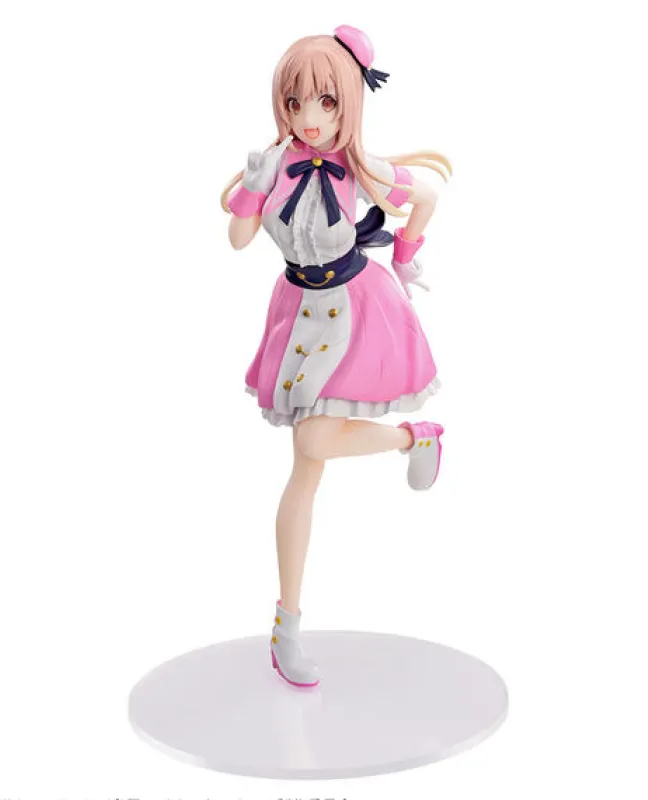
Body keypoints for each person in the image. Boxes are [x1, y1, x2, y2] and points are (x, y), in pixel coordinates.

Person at [220, 25, 451, 688]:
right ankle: (286, 627)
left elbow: (426, 197)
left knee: (314, 442)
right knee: (306, 465)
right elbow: (238, 237)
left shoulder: (360, 166)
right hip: (298, 309)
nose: (310, 118)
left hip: (355, 308)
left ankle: (415, 436)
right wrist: (252, 185)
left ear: (348, 101)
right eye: (296, 103)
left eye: (326, 101)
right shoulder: (275, 163)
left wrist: (405, 257)